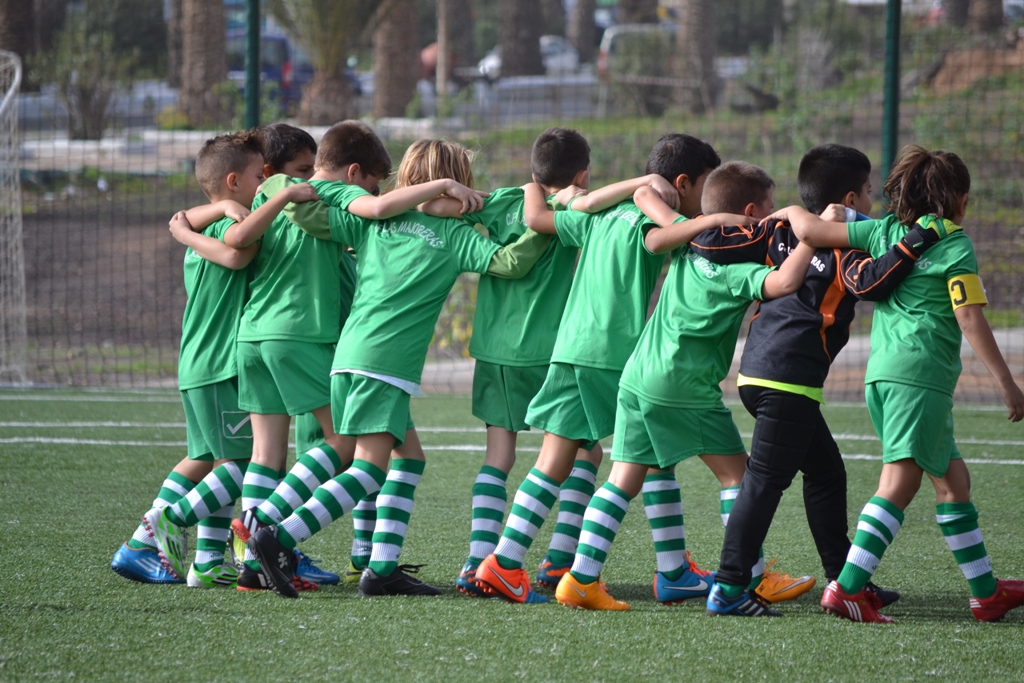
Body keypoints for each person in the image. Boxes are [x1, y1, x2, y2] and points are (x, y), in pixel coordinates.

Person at [246, 136, 553, 598]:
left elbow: (314, 213)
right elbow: (508, 263)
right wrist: (541, 227)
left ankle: (381, 568)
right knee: (369, 469)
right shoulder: (454, 236)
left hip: (348, 357)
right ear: (456, 185)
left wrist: (289, 192)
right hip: (386, 363)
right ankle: (277, 536)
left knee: (409, 458)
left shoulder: (377, 219)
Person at [472, 135, 751, 604]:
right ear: (683, 183)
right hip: (611, 355)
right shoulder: (657, 216)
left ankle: (502, 563)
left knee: (551, 464)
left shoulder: (602, 210)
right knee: (650, 461)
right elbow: (662, 237)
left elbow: (540, 217)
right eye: (705, 186)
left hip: (569, 348)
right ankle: (662, 571)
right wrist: (711, 220)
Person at [548, 161, 814, 611]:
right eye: (769, 211)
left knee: (621, 480)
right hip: (683, 386)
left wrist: (705, 220)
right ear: (750, 213)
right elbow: (787, 280)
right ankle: (752, 577)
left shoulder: (689, 243)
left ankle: (580, 580)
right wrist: (811, 234)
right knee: (740, 477)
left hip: (637, 377)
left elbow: (647, 212)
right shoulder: (737, 271)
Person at [691, 145, 945, 615]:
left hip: (757, 374)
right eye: (869, 192)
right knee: (764, 482)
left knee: (826, 473)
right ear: (850, 198)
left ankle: (844, 578)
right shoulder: (843, 240)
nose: (872, 201)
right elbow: (870, 282)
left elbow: (711, 242)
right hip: (789, 379)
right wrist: (913, 243)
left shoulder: (783, 229)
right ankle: (728, 587)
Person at [776, 144, 1024, 623]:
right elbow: (968, 316)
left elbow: (809, 228)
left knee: (954, 482)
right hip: (921, 378)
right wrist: (1007, 383)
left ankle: (987, 593)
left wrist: (789, 211)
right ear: (958, 198)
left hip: (885, 376)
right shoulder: (955, 242)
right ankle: (847, 588)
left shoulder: (884, 231)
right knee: (898, 484)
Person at [448, 128, 680, 596]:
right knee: (591, 453)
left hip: (495, 348)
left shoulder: (508, 199)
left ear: (535, 169)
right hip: (554, 348)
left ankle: (482, 559)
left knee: (501, 457)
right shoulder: (582, 207)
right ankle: (561, 559)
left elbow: (449, 211)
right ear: (581, 173)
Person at [111, 131, 263, 588]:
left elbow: (181, 220)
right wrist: (216, 216)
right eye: (261, 176)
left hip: (196, 363)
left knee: (207, 457)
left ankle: (207, 562)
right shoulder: (233, 230)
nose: (267, 183)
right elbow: (237, 258)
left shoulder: (196, 229)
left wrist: (193, 221)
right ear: (234, 182)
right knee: (241, 465)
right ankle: (151, 533)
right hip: (219, 365)